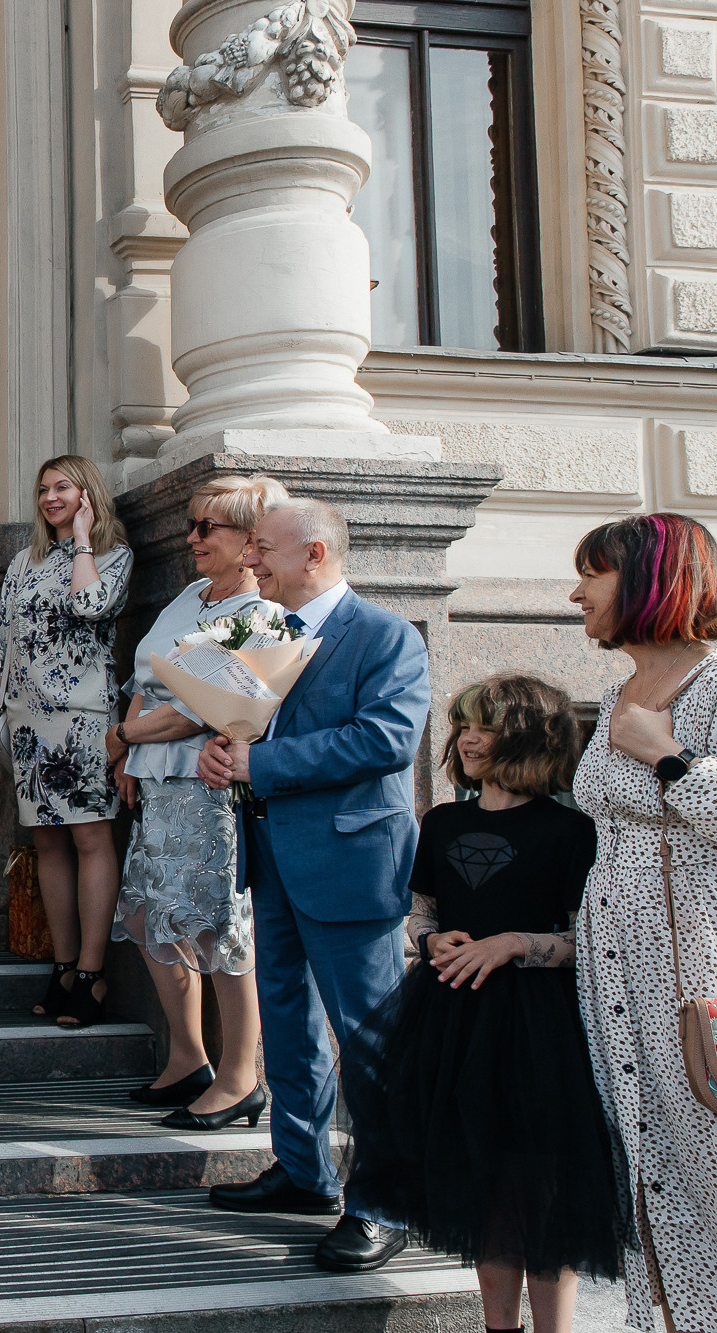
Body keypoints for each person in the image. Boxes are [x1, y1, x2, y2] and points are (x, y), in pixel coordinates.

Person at [346, 675, 624, 1333]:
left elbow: (591, 938)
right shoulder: (443, 821)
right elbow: (421, 912)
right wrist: (433, 938)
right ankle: (499, 1325)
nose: (469, 737)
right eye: (464, 724)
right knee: (487, 1189)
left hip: (540, 1029)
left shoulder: (570, 831)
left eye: (486, 725)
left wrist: (514, 944)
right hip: (454, 1025)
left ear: (531, 735)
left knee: (543, 1190)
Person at [197, 496, 430, 1274]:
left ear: (316, 554)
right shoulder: (260, 629)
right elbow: (236, 723)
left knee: (367, 1037)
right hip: (272, 857)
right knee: (290, 1027)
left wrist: (262, 765)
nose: (250, 560)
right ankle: (303, 1170)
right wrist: (220, 755)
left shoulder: (385, 635)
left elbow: (387, 738)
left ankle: (386, 1201)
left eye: (262, 547)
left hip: (351, 863)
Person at [567, 512, 717, 1333]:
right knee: (652, 1168)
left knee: (707, 1158)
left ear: (653, 580)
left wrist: (667, 755)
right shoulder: (614, 690)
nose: (576, 591)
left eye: (594, 572)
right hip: (618, 978)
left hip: (696, 969)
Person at [108, 474, 285, 1125]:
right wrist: (129, 751)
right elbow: (145, 669)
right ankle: (189, 1057)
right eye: (191, 524)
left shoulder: (259, 618)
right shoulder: (188, 594)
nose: (192, 537)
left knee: (218, 927)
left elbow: (196, 711)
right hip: (157, 781)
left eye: (207, 526)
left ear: (248, 541)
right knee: (147, 919)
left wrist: (124, 734)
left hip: (208, 785)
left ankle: (242, 1075)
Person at [0, 456, 133, 1029]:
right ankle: (63, 965)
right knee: (47, 843)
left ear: (87, 494)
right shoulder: (23, 560)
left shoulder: (113, 555)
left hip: (85, 717)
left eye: (63, 487)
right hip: (28, 720)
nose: (50, 497)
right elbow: (4, 645)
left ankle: (93, 972)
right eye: (42, 489)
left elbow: (93, 606)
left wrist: (83, 540)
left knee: (90, 836)